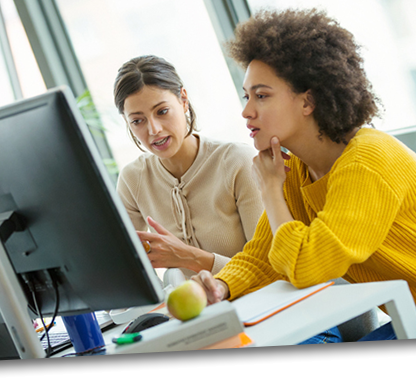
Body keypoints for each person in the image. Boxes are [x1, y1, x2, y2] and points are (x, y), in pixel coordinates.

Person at [192, 8, 416, 341]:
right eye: (247, 96)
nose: (247, 111)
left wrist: (270, 192)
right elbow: (263, 257)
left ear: (308, 101)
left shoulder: (367, 160)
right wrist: (220, 285)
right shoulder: (295, 172)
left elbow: (308, 268)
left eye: (262, 96)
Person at [113, 54, 342, 345]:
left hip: (285, 319)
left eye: (162, 111)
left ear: (183, 100)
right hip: (215, 331)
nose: (153, 130)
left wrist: (192, 259)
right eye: (137, 121)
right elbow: (131, 278)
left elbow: (274, 271)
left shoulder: (237, 162)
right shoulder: (133, 180)